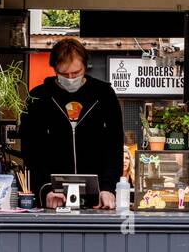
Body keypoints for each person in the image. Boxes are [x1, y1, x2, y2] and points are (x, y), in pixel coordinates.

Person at [22, 36, 124, 209]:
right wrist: (45, 188)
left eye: (76, 73)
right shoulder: (38, 98)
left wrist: (108, 187)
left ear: (85, 66)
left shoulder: (104, 95)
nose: (70, 78)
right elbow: (31, 150)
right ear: (54, 69)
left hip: (98, 197)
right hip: (53, 197)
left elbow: (114, 145)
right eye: (63, 74)